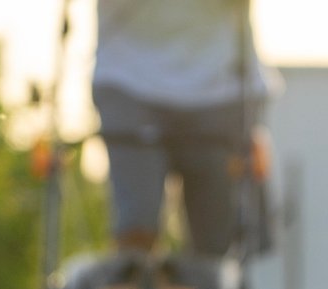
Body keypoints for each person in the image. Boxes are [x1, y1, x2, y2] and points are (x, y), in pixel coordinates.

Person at [92, 0, 277, 257]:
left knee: (216, 247)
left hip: (223, 87)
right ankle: (132, 288)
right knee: (136, 230)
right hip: (127, 81)